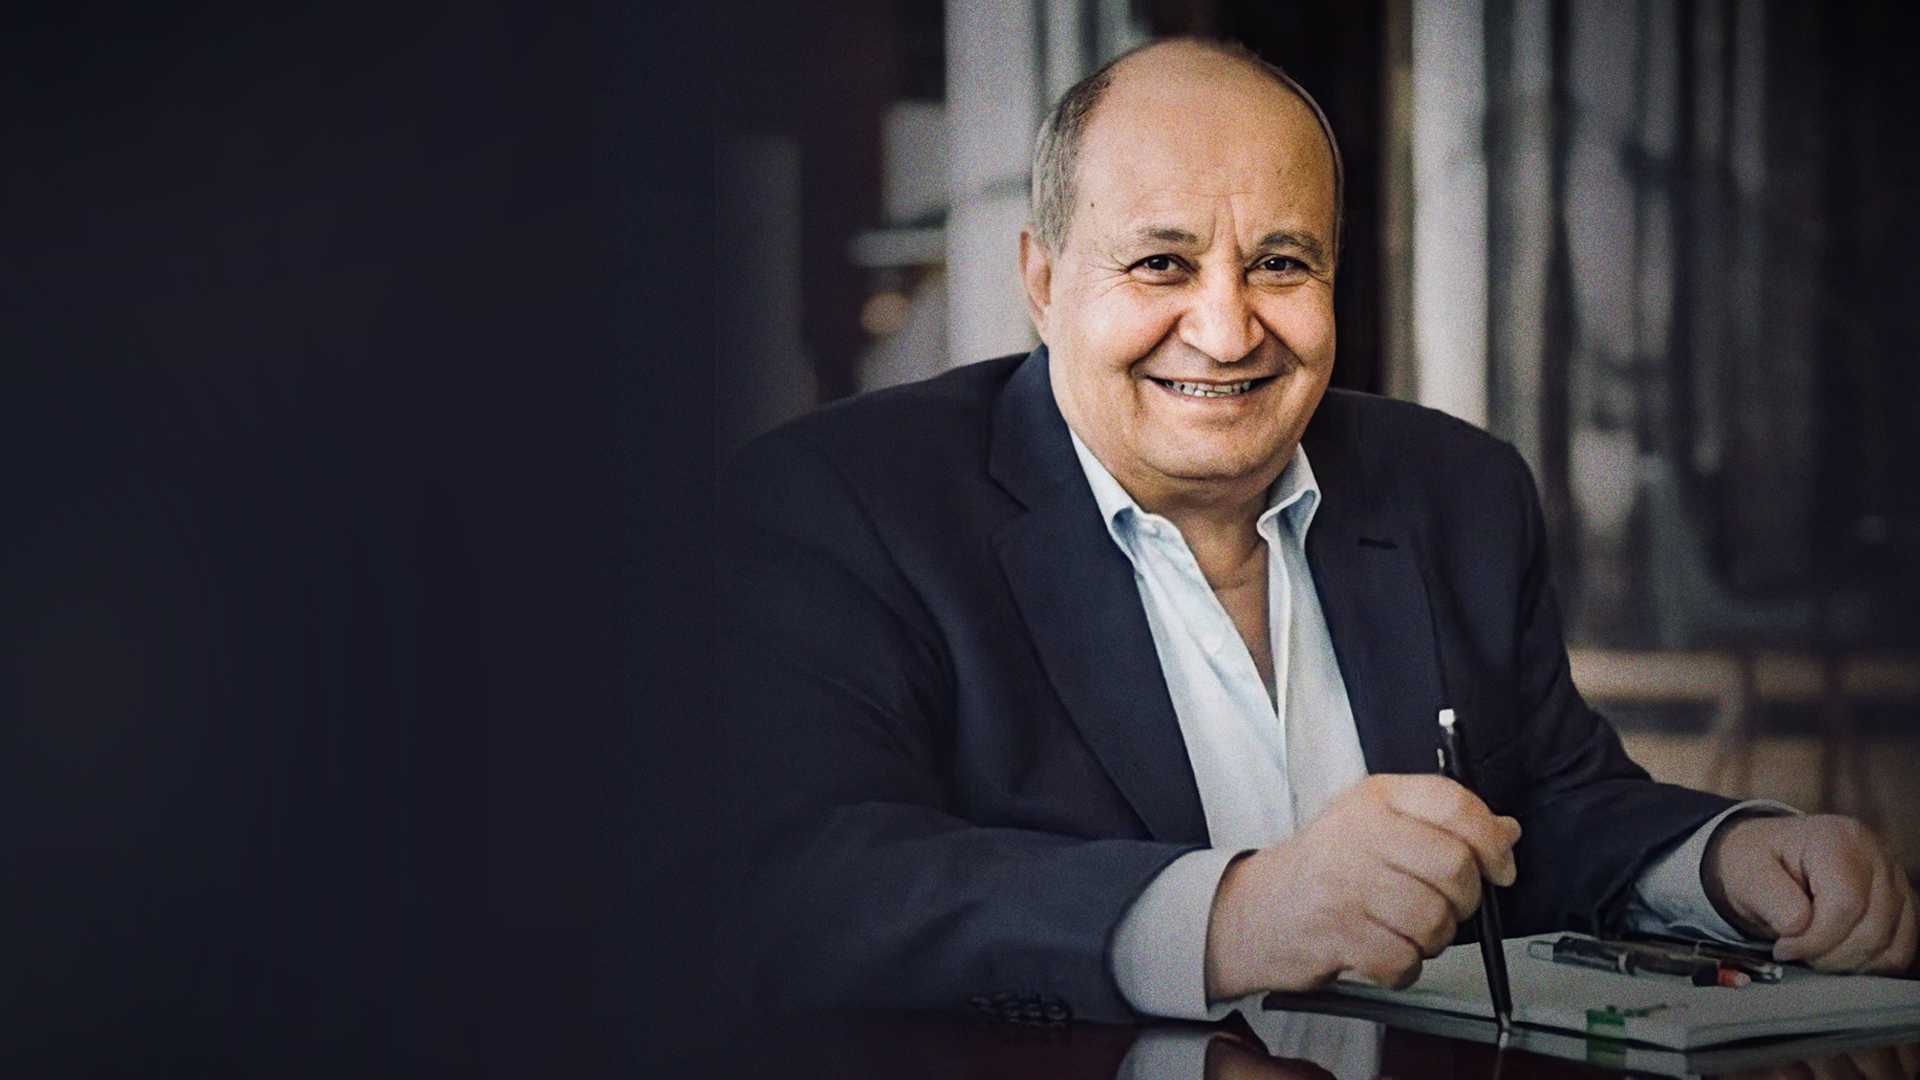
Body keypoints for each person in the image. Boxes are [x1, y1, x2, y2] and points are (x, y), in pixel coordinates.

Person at [717, 37, 1917, 1024]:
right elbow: (812, 883)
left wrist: (1725, 862)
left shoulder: (1458, 490)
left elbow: (1547, 809)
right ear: (1043, 280)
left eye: (1281, 263)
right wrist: (1235, 914)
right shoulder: (845, 503)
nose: (1228, 329)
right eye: (1162, 263)